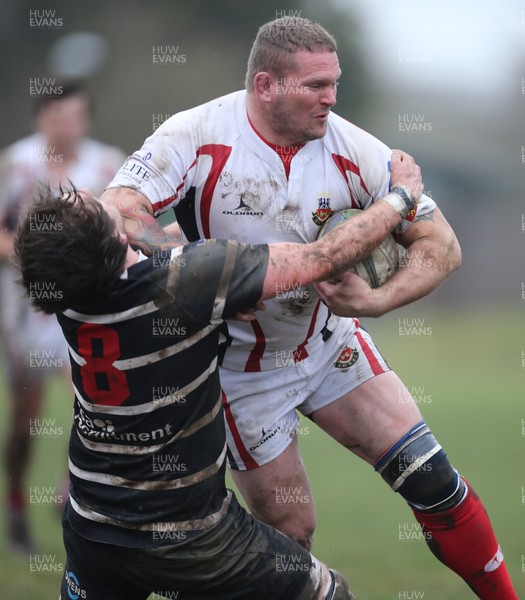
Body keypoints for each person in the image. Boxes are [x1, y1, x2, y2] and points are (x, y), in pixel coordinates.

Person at [101, 17, 518, 599]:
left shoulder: (356, 150)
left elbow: (442, 246)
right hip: (242, 373)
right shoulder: (195, 135)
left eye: (336, 83)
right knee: (292, 535)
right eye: (316, 85)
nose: (331, 99)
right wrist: (203, 271)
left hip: (329, 345)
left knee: (432, 478)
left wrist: (375, 301)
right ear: (267, 84)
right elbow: (118, 210)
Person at [13, 169, 420, 599]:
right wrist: (401, 198)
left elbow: (152, 257)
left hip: (90, 529)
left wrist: (222, 288)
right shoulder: (189, 280)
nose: (92, 193)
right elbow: (321, 258)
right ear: (114, 240)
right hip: (191, 535)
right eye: (90, 202)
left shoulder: (71, 297)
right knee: (328, 592)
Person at [0, 80, 125, 552]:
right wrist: (41, 254)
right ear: (40, 119)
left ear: (85, 120)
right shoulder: (17, 165)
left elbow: (123, 228)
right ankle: (15, 504)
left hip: (84, 304)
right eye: (56, 116)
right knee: (25, 419)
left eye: (73, 117)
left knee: (92, 395)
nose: (65, 126)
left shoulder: (107, 164)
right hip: (27, 306)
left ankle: (69, 490)